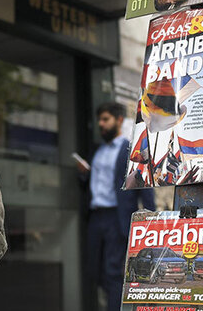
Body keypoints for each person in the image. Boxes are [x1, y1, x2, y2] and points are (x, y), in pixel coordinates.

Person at [77, 102, 155, 311]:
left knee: (113, 272)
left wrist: (151, 218)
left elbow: (143, 183)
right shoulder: (98, 150)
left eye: (105, 119)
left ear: (119, 120)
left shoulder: (129, 149)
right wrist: (84, 175)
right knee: (95, 271)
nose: (101, 124)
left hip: (116, 218)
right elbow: (95, 183)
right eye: (99, 120)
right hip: (95, 218)